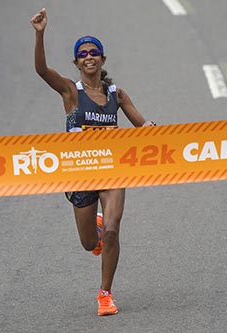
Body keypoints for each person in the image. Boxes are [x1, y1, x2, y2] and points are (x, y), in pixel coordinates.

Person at [30, 8, 155, 316]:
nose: (89, 56)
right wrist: (40, 33)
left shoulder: (116, 94)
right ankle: (95, 231)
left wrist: (161, 134)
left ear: (102, 59)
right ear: (77, 62)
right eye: (82, 53)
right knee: (90, 243)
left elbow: (144, 127)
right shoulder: (71, 92)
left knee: (113, 230)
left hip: (113, 171)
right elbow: (42, 70)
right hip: (81, 173)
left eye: (94, 52)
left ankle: (105, 294)